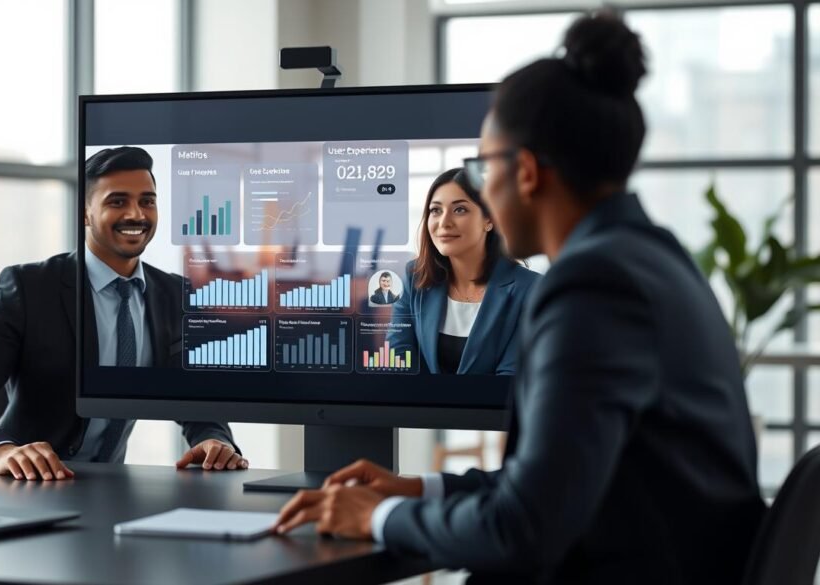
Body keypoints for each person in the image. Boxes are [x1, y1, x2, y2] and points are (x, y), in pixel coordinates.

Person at [273, 12, 764, 584]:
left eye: (484, 171)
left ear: (526, 172)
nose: (473, 199)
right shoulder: (652, 257)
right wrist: (416, 487)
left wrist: (381, 517)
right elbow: (550, 483)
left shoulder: (593, 288)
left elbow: (523, 528)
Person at [0, 147, 247, 481]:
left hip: (108, 487)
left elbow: (192, 399)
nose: (136, 214)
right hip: (22, 484)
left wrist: (213, 439)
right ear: (85, 213)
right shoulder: (30, 288)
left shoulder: (173, 295)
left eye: (147, 201)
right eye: (117, 201)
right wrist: (0, 451)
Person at [386, 168, 539, 375]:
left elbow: (510, 379)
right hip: (420, 407)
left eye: (460, 210)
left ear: (489, 220)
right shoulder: (414, 277)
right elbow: (399, 356)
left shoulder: (529, 289)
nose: (444, 222)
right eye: (435, 210)